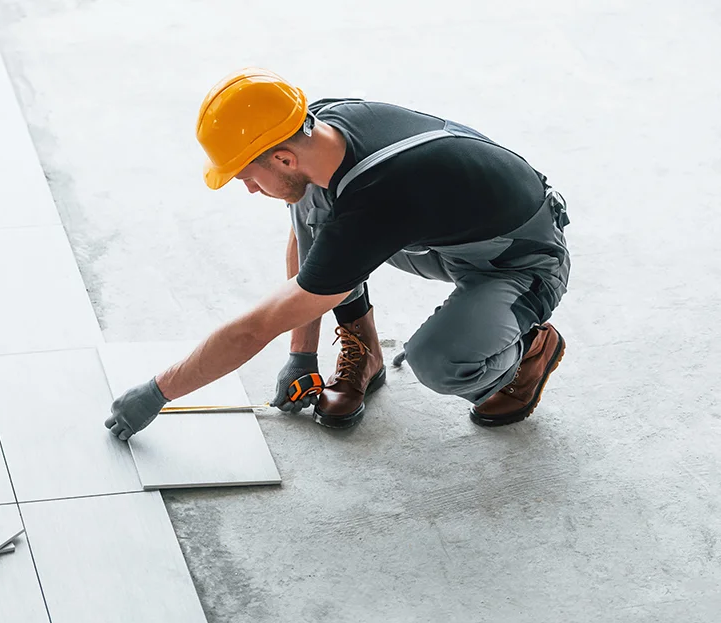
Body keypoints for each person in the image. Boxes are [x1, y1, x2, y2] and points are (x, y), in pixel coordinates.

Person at [104, 67, 570, 439]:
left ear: (282, 157)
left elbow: (254, 329)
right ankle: (365, 351)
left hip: (518, 259)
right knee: (309, 202)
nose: (246, 188)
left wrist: (158, 392)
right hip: (439, 233)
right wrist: (302, 356)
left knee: (440, 361)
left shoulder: (378, 198)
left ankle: (529, 350)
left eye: (246, 174)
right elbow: (312, 242)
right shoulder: (318, 127)